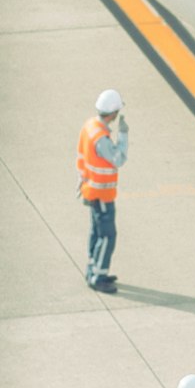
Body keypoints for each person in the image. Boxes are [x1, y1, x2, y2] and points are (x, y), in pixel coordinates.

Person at [78, 89, 129, 292]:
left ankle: (94, 269)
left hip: (91, 190)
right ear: (113, 113)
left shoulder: (90, 127)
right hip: (101, 194)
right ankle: (97, 278)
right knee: (107, 235)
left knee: (97, 232)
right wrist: (123, 135)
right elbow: (119, 159)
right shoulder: (102, 138)